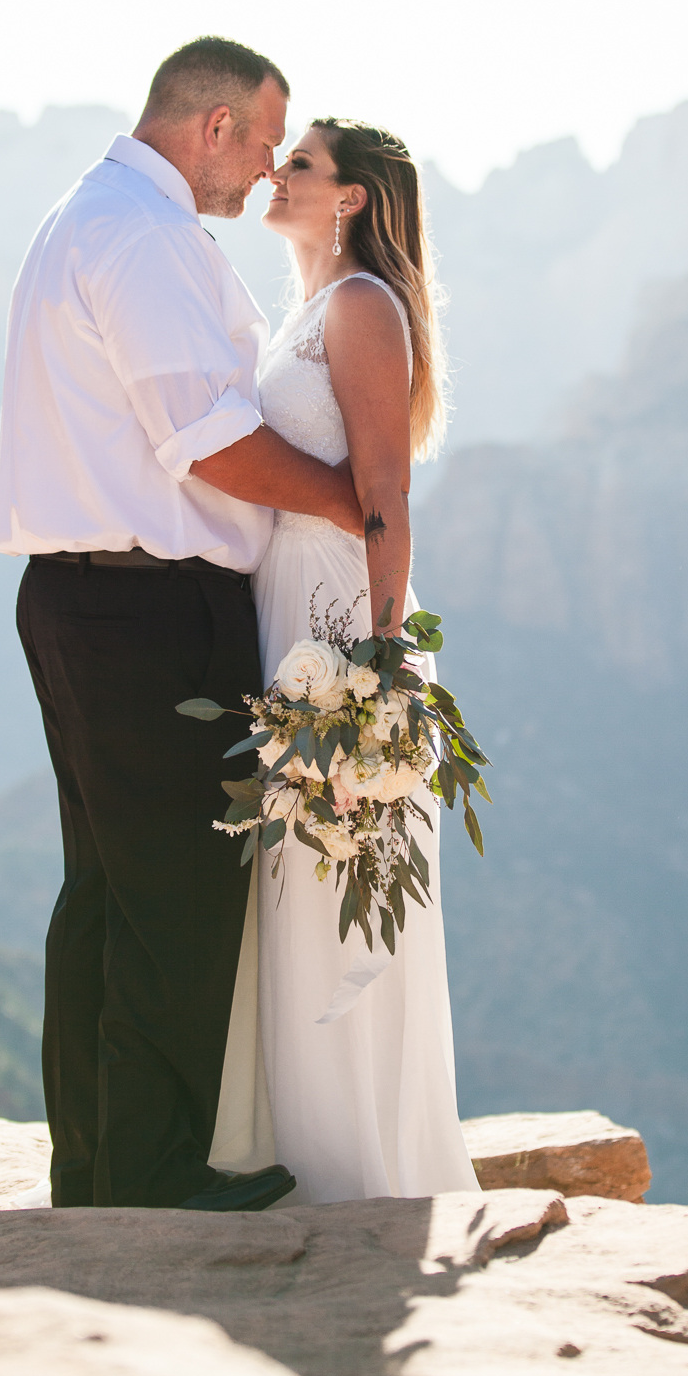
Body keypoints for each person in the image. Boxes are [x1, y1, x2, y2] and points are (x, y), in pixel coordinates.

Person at [0, 37, 362, 1212]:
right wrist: (357, 508)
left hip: (88, 594)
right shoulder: (143, 238)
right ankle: (150, 1178)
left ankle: (100, 1170)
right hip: (147, 606)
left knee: (107, 893)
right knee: (176, 897)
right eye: (262, 141)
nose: (264, 172)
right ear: (212, 127)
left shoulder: (90, 214)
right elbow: (209, 439)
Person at [210, 118, 479, 1202]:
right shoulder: (306, 312)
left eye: (302, 164)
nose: (278, 174)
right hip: (283, 607)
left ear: (352, 198)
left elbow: (386, 491)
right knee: (291, 875)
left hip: (335, 615)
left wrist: (378, 670)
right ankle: (287, 1138)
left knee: (334, 867)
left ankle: (353, 1165)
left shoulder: (362, 307)